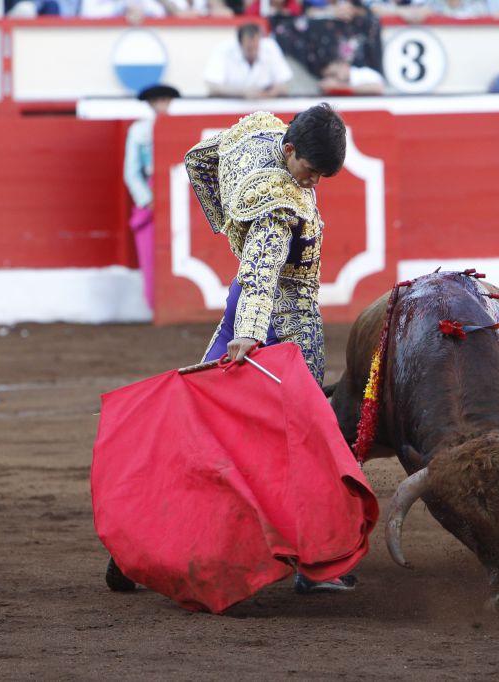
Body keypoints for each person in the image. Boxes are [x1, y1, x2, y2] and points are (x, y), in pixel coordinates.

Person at [105, 104, 354, 595]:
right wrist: (253, 333)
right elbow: (263, 268)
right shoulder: (278, 203)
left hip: (240, 309)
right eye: (310, 171)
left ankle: (132, 548)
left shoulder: (258, 132)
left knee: (201, 429)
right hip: (283, 322)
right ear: (289, 149)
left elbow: (199, 159)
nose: (312, 183)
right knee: (307, 439)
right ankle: (315, 563)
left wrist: (228, 226)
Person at [123, 84, 179, 311]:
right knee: (150, 252)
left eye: (165, 100)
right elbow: (131, 172)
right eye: (157, 101)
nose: (161, 105)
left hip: (177, 191)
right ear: (149, 104)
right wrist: (147, 199)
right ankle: (155, 305)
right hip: (152, 192)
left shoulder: (179, 126)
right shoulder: (139, 130)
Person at [204, 23, 293, 99]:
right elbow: (212, 86)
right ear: (240, 44)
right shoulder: (224, 50)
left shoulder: (270, 47)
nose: (253, 51)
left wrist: (266, 94)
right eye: (249, 48)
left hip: (265, 105)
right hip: (231, 106)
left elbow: (284, 84)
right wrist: (243, 92)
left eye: (256, 46)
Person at [319, 58, 385, 95]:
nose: (332, 79)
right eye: (328, 77)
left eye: (333, 74)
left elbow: (379, 88)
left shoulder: (364, 73)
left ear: (344, 65)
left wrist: (339, 86)